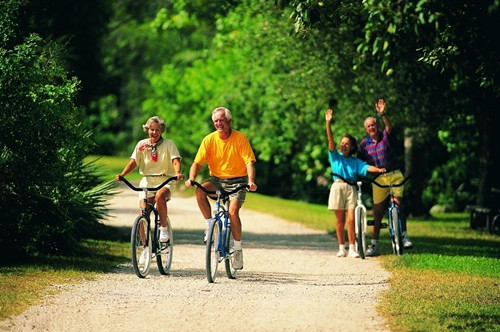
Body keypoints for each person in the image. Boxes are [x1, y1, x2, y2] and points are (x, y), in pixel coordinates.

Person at [185, 106, 257, 270]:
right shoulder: (209, 140)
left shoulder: (240, 138)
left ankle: (237, 249)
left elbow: (249, 162)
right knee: (200, 190)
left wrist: (251, 181)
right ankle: (210, 225)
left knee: (232, 212)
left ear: (229, 121)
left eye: (222, 120)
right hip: (217, 180)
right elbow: (197, 163)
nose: (219, 123)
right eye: (216, 121)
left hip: (238, 181)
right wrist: (191, 178)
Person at [325, 108, 386, 258]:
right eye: (342, 143)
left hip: (351, 188)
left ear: (352, 147)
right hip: (337, 186)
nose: (343, 145)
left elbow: (366, 167)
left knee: (351, 219)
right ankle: (341, 247)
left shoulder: (356, 161)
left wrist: (378, 170)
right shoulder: (335, 157)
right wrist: (328, 123)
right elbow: (330, 139)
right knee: (340, 221)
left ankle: (352, 247)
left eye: (347, 144)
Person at [115, 116, 183, 243]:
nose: (155, 132)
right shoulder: (141, 144)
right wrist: (123, 174)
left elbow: (175, 160)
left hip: (165, 180)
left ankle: (163, 229)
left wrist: (177, 173)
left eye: (158, 130)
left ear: (162, 131)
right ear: (147, 130)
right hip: (147, 182)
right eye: (152, 129)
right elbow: (134, 162)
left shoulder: (169, 144)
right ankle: (145, 245)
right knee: (142, 213)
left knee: (160, 197)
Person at [358, 99, 413, 256]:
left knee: (398, 204)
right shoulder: (364, 145)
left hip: (394, 175)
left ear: (377, 126)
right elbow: (360, 163)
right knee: (377, 212)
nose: (371, 128)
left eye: (373, 125)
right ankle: (374, 245)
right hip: (378, 179)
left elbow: (390, 126)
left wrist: (383, 114)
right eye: (368, 126)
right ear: (366, 129)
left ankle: (404, 236)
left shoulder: (385, 136)